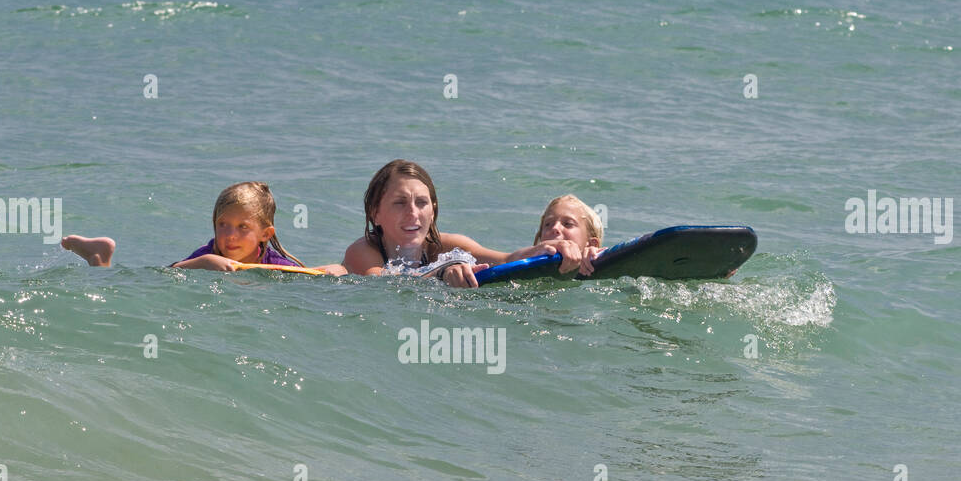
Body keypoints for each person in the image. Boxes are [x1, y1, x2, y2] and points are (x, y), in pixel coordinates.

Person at [342, 160, 584, 287]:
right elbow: (382, 283)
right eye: (400, 203)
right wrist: (440, 273)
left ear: (433, 210)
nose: (413, 213)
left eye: (422, 203)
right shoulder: (362, 252)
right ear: (375, 213)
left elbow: (504, 260)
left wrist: (541, 250)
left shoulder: (446, 246)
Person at [61, 181, 345, 274]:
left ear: (265, 235)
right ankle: (99, 259)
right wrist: (202, 262)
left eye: (242, 227)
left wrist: (335, 272)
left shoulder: (276, 264)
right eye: (223, 224)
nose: (229, 235)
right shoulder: (209, 254)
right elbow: (167, 276)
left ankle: (97, 259)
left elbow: (307, 282)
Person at [533, 194, 605, 277]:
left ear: (592, 244)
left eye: (568, 224)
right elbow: (514, 257)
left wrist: (596, 256)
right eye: (548, 224)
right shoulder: (525, 260)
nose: (555, 228)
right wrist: (534, 252)